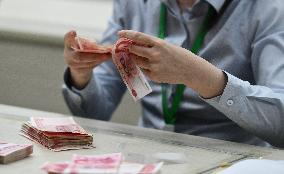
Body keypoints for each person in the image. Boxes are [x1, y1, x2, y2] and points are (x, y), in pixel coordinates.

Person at [62, 0, 284, 148]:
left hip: (232, 159)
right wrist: (82, 75)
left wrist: (199, 76)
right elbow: (95, 113)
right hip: (148, 155)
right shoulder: (134, 3)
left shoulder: (269, 8)